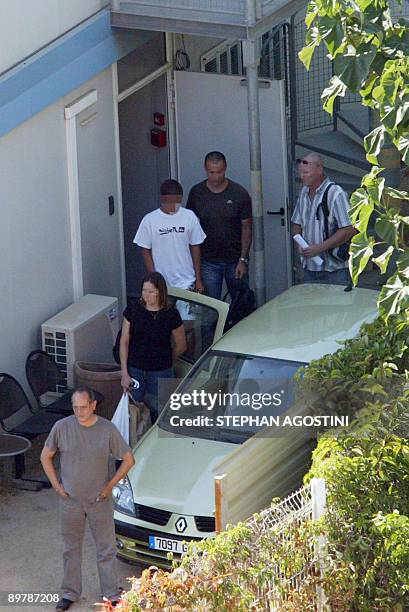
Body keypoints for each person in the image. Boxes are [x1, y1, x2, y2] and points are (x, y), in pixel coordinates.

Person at [40, 386, 135, 612]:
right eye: (75, 407)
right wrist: (57, 486)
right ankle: (69, 593)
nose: (79, 412)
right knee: (71, 549)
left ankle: (111, 594)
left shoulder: (107, 429)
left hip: (99, 501)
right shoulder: (61, 427)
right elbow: (46, 456)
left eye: (84, 407)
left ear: (93, 405)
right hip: (70, 501)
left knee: (106, 548)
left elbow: (129, 459)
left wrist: (109, 487)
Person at [120, 271, 187, 423]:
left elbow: (181, 345)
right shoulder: (133, 309)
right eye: (144, 291)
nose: (146, 296)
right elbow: (124, 341)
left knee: (161, 412)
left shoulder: (171, 314)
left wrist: (166, 359)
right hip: (135, 368)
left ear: (160, 292)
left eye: (151, 292)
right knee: (134, 410)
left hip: (161, 370)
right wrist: (124, 373)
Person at [186, 151, 252, 301]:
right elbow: (189, 228)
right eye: (212, 172)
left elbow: (247, 227)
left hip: (234, 260)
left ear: (226, 168)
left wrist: (243, 260)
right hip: (208, 260)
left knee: (241, 305)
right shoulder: (197, 193)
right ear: (205, 169)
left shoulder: (239, 193)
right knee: (210, 309)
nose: (216, 177)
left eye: (219, 172)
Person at [291, 153, 356, 285]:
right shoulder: (304, 192)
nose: (301, 176)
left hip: (334, 269)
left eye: (306, 172)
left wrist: (320, 248)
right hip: (309, 267)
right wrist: (299, 244)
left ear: (319, 170)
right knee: (312, 305)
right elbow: (296, 223)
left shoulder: (336, 194)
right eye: (300, 172)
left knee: (336, 305)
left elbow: (349, 229)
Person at [133, 179, 206, 292]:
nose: (173, 206)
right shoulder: (149, 220)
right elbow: (145, 250)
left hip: (187, 282)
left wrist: (198, 279)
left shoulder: (190, 216)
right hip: (161, 283)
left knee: (185, 310)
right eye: (169, 202)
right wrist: (154, 279)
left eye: (177, 202)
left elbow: (195, 246)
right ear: (162, 199)